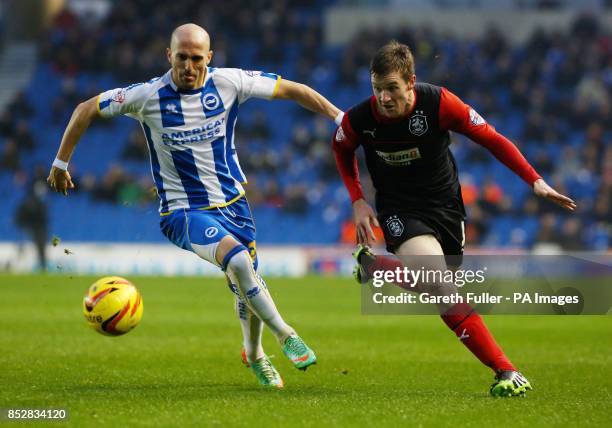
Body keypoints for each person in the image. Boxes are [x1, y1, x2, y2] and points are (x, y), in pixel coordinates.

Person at [47, 23, 343, 389]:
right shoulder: (147, 96)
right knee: (237, 262)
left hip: (235, 204)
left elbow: (294, 89)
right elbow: (86, 107)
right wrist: (61, 163)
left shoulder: (230, 82)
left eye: (196, 59)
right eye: (181, 58)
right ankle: (286, 334)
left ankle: (253, 355)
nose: (188, 66)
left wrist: (339, 117)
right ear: (169, 56)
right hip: (182, 213)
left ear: (209, 58)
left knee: (243, 282)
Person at [332, 41, 576, 397]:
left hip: (446, 208)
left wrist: (535, 181)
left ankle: (376, 267)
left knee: (436, 283)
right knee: (442, 287)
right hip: (400, 210)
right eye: (377, 88)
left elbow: (492, 139)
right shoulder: (360, 119)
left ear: (411, 82)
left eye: (392, 88)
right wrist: (357, 200)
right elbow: (340, 148)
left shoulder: (440, 103)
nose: (383, 98)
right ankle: (505, 370)